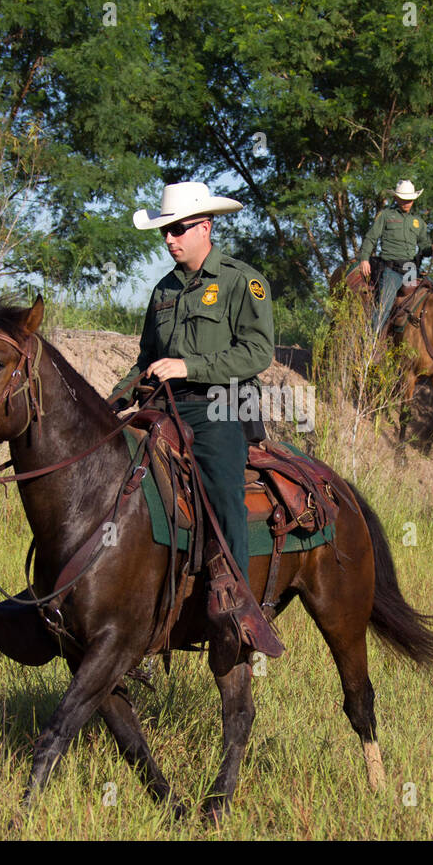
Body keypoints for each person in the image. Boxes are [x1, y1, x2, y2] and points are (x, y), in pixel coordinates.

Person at [110, 181, 285, 665]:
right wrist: (110, 402)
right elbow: (146, 359)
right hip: (165, 402)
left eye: (179, 229)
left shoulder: (240, 281)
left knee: (223, 487)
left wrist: (189, 367)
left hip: (223, 404)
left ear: (205, 226)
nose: (169, 239)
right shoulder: (163, 290)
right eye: (165, 231)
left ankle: (238, 603)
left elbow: (257, 351)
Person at [355, 180, 433, 333]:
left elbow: (424, 246)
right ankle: (370, 342)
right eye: (403, 198)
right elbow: (371, 238)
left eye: (409, 199)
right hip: (391, 269)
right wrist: (364, 259)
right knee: (384, 306)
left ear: (413, 200)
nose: (406, 202)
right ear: (396, 198)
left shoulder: (418, 222)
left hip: (410, 269)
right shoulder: (386, 216)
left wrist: (432, 248)